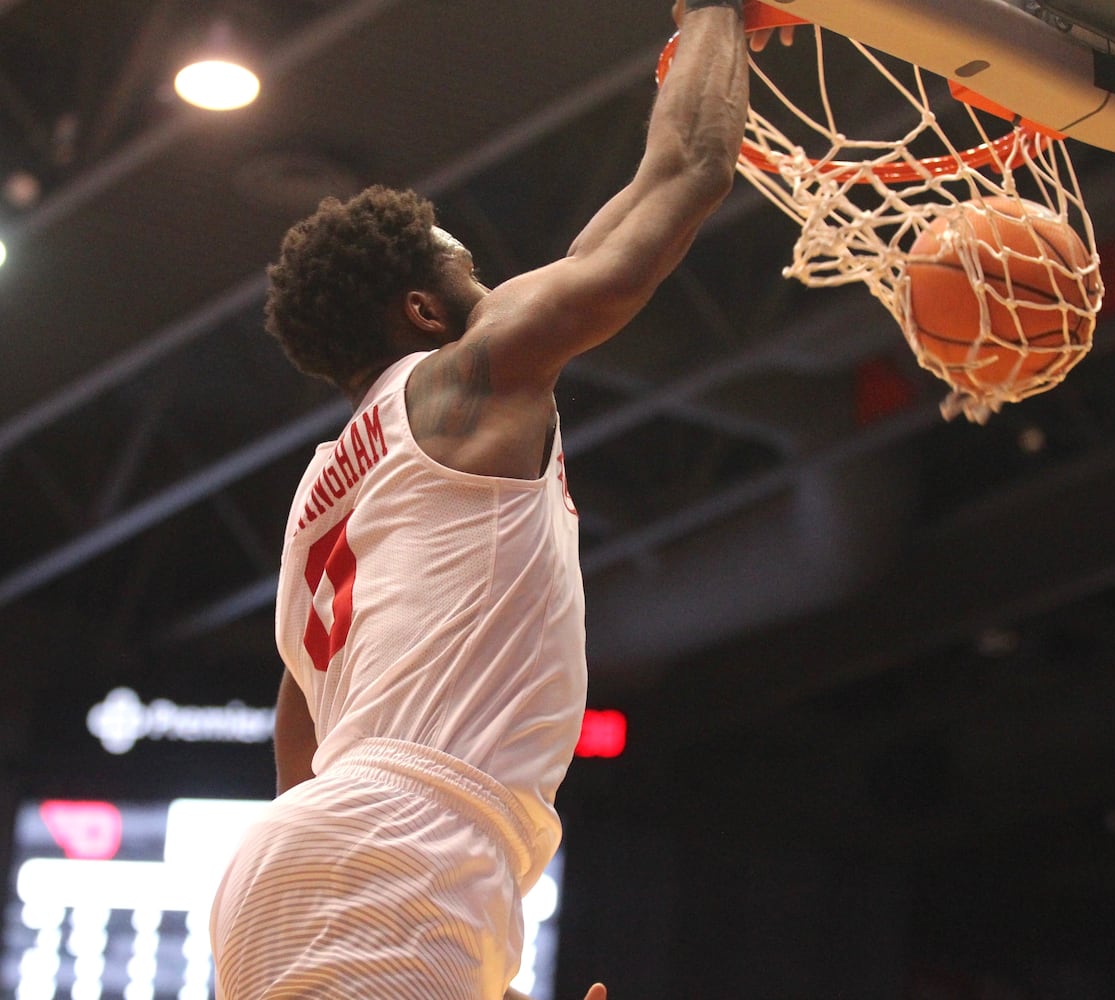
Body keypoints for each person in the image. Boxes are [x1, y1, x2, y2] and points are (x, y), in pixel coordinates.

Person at [209, 2, 754, 997]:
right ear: (425, 311)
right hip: (406, 839)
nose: (498, 288)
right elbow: (688, 174)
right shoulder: (466, 378)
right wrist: (714, 11)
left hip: (304, 860)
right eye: (470, 270)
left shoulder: (318, 502)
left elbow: (302, 724)